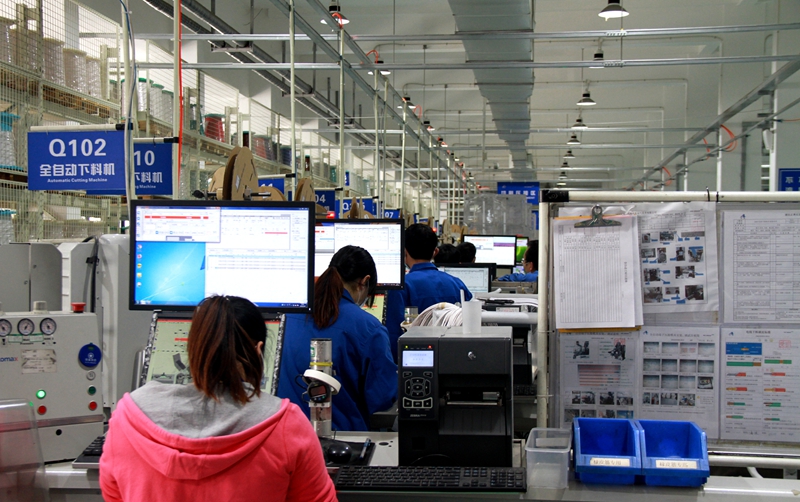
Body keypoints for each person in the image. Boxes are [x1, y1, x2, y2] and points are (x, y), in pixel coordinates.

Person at [100, 295, 335, 502]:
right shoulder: (285, 426)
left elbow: (114, 494)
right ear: (258, 350)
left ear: (193, 349)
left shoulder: (127, 419)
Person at [278, 245, 397, 432]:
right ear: (364, 282)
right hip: (344, 440)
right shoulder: (369, 329)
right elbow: (382, 400)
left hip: (286, 435)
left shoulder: (287, 318)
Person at [386, 224, 473, 361]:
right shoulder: (457, 284)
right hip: (454, 360)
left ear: (404, 251)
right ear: (435, 252)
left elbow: (394, 337)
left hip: (415, 361)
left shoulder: (402, 287)